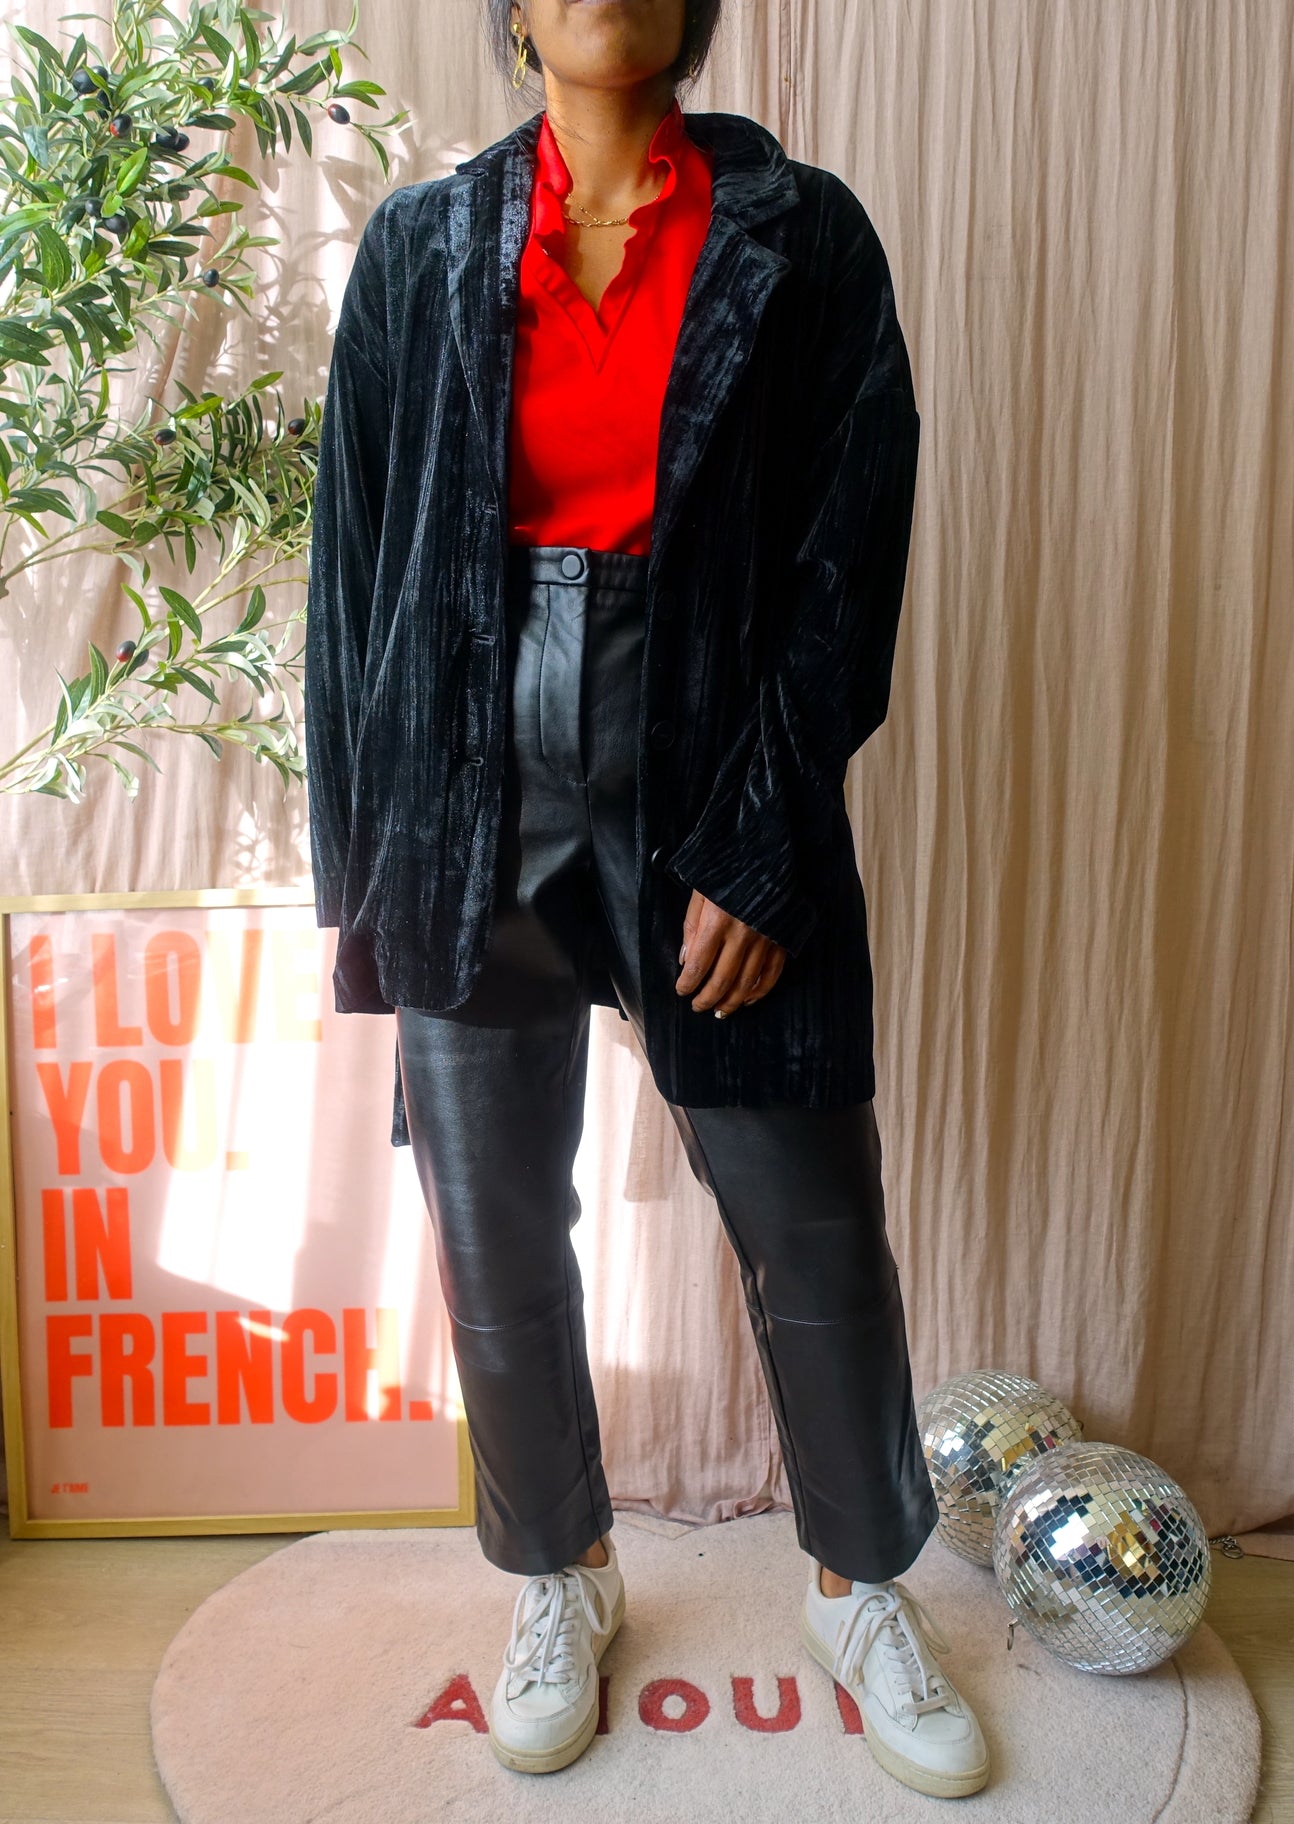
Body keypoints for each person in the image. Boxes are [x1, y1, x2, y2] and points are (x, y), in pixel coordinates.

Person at [305, 0, 990, 1800]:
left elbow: (849, 558)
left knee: (811, 1222)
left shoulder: (801, 238)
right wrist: (368, 872)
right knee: (494, 1229)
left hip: (709, 769)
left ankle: (857, 1585)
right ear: (515, 13)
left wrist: (763, 841)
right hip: (469, 788)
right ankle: (563, 1573)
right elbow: (355, 568)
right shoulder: (423, 248)